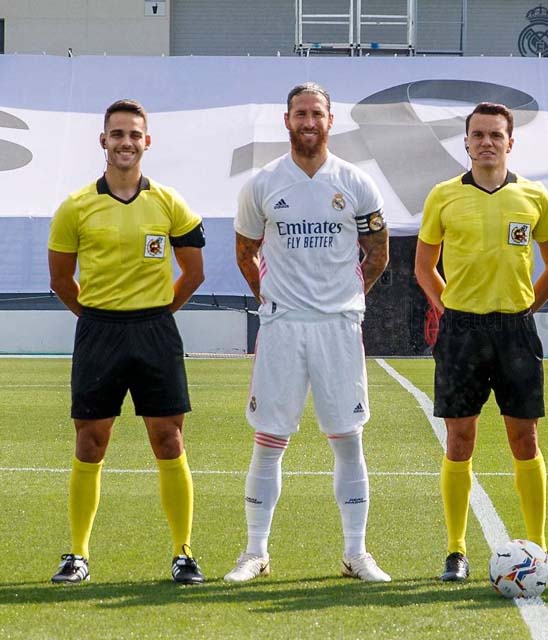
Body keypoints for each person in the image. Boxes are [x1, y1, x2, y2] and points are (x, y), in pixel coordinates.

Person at [225, 82, 391, 584]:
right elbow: (244, 251)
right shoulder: (262, 184)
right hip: (282, 327)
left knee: (347, 439)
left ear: (330, 120)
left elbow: (378, 250)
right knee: (269, 439)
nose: (308, 122)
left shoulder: (356, 182)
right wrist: (269, 297)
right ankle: (254, 551)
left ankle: (355, 553)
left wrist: (351, 295)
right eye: (300, 114)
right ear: (287, 121)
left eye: (316, 114)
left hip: (338, 326)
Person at [47, 99, 206, 585]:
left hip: (155, 332)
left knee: (169, 439)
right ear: (103, 141)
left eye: (134, 135)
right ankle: (77, 554)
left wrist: (156, 315)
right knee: (90, 441)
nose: (125, 143)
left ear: (146, 142)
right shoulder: (75, 206)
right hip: (98, 332)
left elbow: (193, 273)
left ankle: (183, 553)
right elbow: (60, 280)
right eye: (117, 134)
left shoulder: (169, 202)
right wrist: (96, 317)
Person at [414, 102, 548, 582]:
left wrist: (524, 311)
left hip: (515, 331)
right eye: (477, 134)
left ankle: (538, 548)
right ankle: (455, 549)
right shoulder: (442, 196)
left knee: (525, 438)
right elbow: (424, 267)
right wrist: (449, 310)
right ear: (465, 142)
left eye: (495, 135)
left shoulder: (534, 196)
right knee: (460, 440)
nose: (486, 142)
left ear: (510, 142)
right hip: (462, 332)